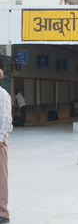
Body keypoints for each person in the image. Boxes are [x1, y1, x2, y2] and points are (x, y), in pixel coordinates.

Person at [0, 69, 13, 224]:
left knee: (1, 177)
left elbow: (5, 119)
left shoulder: (2, 95)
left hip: (0, 143)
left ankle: (3, 213)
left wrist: (1, 139)